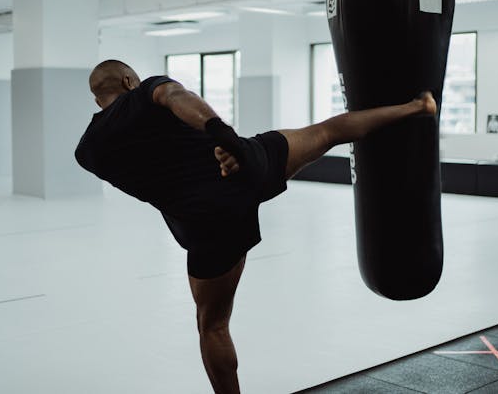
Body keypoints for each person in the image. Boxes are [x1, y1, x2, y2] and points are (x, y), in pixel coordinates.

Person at [75, 59, 437, 393]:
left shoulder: (88, 151)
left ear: (97, 98)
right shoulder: (145, 93)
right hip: (247, 166)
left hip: (208, 226)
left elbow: (153, 164)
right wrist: (223, 136)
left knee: (212, 326)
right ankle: (419, 107)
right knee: (327, 133)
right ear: (127, 80)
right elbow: (176, 96)